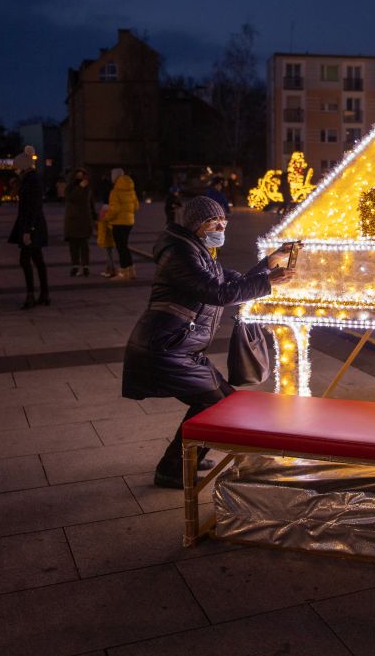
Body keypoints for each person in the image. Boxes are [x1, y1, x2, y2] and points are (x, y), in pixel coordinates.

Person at [123, 196, 296, 488]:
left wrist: (271, 261)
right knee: (217, 404)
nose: (221, 226)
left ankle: (186, 455)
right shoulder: (180, 253)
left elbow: (231, 283)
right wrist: (269, 283)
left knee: (213, 402)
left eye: (223, 221)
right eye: (214, 222)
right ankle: (173, 467)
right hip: (166, 348)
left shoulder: (199, 250)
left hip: (179, 347)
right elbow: (216, 292)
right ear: (196, 225)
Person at [8, 150, 50, 309]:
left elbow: (33, 208)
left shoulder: (31, 181)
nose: (15, 169)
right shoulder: (29, 179)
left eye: (17, 167)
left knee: (25, 260)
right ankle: (43, 294)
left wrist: (28, 231)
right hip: (33, 225)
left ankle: (31, 295)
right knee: (37, 259)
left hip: (32, 227)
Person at [106, 169, 139, 280]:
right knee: (125, 247)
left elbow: (114, 209)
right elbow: (136, 206)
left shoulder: (115, 191)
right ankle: (131, 271)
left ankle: (124, 272)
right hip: (129, 222)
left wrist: (106, 218)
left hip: (118, 222)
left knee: (121, 248)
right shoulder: (131, 188)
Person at [64, 167, 93, 276]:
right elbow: (71, 198)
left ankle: (85, 266)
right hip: (73, 219)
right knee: (73, 245)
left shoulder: (87, 187)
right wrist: (80, 187)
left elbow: (90, 202)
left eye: (83, 175)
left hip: (84, 218)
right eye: (79, 175)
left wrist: (94, 217)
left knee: (84, 245)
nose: (81, 177)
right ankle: (75, 266)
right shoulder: (70, 187)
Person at [96, 204, 118, 278]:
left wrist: (100, 241)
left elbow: (104, 232)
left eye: (102, 211)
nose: (101, 213)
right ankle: (108, 270)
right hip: (108, 241)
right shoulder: (107, 220)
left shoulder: (105, 221)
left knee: (109, 257)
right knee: (109, 256)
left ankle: (112, 271)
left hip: (107, 242)